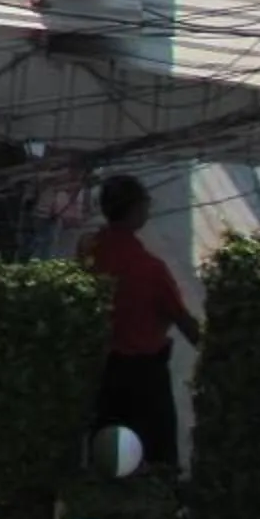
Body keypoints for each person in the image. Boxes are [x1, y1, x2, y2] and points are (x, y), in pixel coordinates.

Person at [77, 175, 202, 468]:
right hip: (144, 379)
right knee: (157, 460)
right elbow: (185, 322)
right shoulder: (149, 270)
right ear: (135, 210)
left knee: (105, 456)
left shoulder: (91, 249)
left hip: (104, 371)